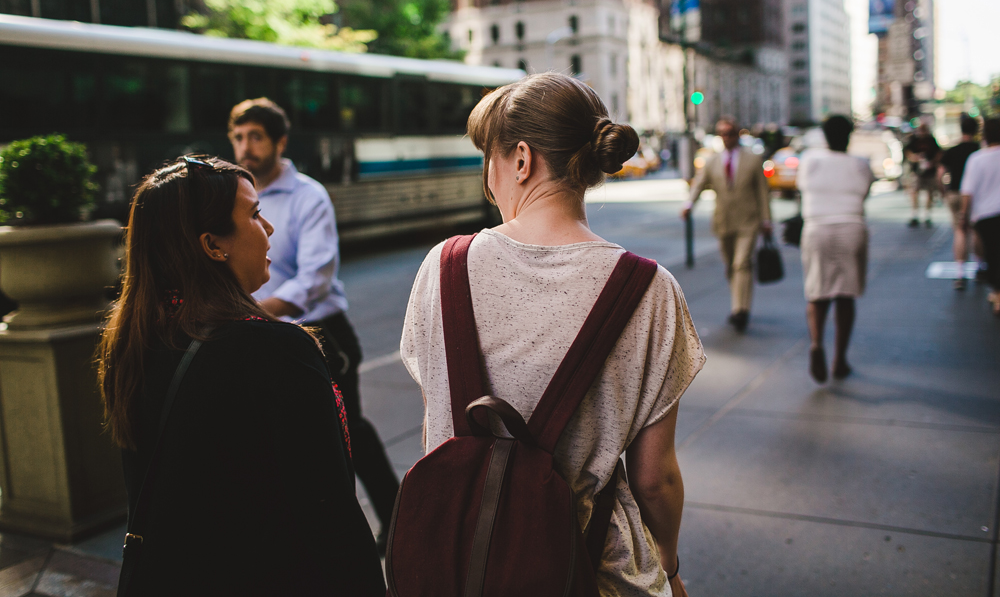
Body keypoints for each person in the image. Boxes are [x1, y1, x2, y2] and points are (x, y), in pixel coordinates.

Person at [401, 72, 706, 596]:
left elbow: (439, 428)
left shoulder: (444, 266)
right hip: (591, 571)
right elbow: (655, 479)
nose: (488, 179)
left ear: (520, 160)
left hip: (460, 565)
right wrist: (670, 568)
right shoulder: (649, 289)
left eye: (488, 160)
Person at [97, 157, 385, 596]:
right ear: (213, 245)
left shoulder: (134, 342)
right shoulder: (277, 351)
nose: (268, 229)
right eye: (253, 214)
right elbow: (329, 513)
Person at [228, 98, 400, 551]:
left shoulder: (308, 194)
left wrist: (255, 313)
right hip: (257, 335)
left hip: (321, 333)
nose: (246, 147)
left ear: (279, 142)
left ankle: (393, 522)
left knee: (348, 434)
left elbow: (317, 275)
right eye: (239, 137)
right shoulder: (231, 199)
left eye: (256, 137)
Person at [797, 116, 875, 383]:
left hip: (817, 228)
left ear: (825, 135)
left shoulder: (810, 161)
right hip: (851, 226)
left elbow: (802, 189)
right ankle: (839, 359)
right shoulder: (861, 163)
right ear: (849, 135)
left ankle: (817, 342)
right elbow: (864, 191)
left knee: (817, 292)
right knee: (846, 295)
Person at [681, 117, 772, 331]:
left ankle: (741, 310)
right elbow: (699, 184)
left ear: (738, 133)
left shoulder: (753, 159)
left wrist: (766, 219)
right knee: (731, 265)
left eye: (730, 133)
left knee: (742, 263)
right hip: (724, 221)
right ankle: (736, 305)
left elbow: (762, 192)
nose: (726, 137)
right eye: (722, 133)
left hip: (749, 220)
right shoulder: (712, 161)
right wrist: (688, 205)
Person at [938, 114, 983, 290]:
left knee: (959, 230)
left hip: (954, 193)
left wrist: (944, 191)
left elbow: (940, 173)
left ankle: (959, 272)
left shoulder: (952, 150)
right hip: (975, 196)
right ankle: (979, 266)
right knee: (975, 230)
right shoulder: (980, 151)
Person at [960, 117, 1000, 315]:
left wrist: (963, 215)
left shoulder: (977, 159)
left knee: (992, 253)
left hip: (985, 215)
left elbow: (967, 191)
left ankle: (997, 294)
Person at [903, 122, 941, 228]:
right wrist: (915, 158)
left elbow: (939, 153)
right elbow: (907, 152)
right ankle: (915, 214)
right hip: (917, 171)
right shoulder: (914, 140)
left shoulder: (931, 140)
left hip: (929, 172)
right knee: (915, 191)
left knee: (930, 192)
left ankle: (927, 215)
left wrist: (933, 162)